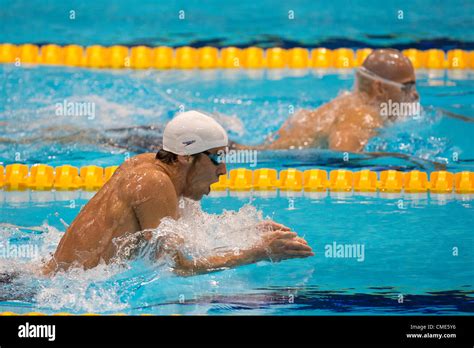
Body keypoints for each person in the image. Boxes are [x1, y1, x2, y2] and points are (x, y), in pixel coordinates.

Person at [42, 110, 313, 275]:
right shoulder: (153, 183)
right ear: (186, 157)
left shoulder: (157, 170)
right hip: (58, 293)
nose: (223, 171)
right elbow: (176, 267)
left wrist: (246, 234)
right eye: (216, 158)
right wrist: (256, 253)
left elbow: (180, 234)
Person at [238, 49, 420, 153]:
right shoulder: (363, 115)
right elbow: (343, 155)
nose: (414, 95)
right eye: (407, 86)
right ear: (379, 88)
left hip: (256, 150)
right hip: (271, 158)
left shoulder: (350, 103)